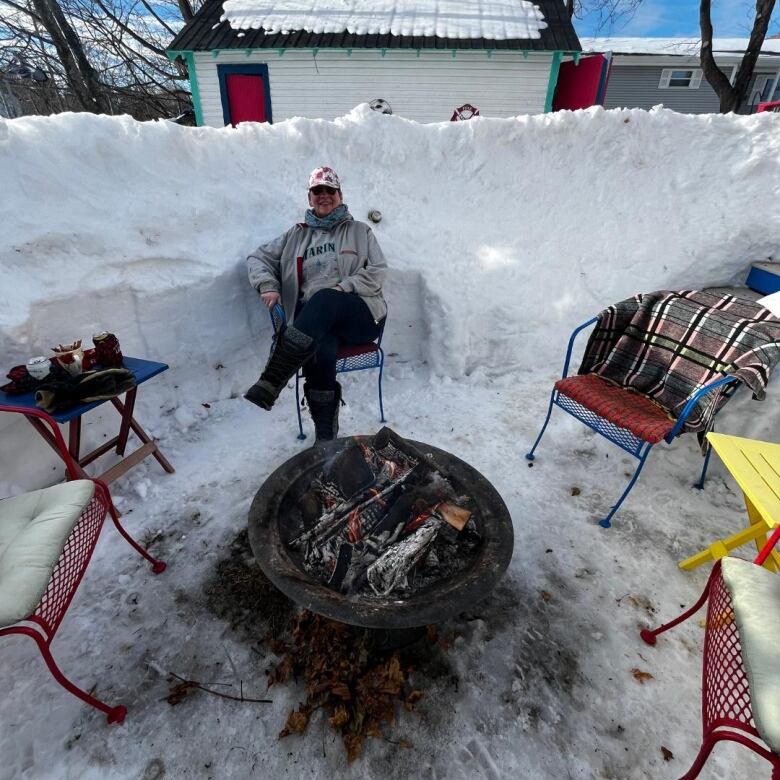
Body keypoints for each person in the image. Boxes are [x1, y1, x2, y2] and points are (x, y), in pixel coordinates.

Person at [245, 166, 388, 441]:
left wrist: (342, 287)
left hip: (359, 314)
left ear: (340, 195)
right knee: (320, 346)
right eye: (317, 191)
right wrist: (268, 285)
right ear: (310, 198)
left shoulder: (360, 231)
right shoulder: (295, 235)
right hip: (316, 323)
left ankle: (273, 379)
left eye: (330, 190)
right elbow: (257, 259)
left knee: (324, 299)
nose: (324, 196)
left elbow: (378, 272)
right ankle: (325, 434)